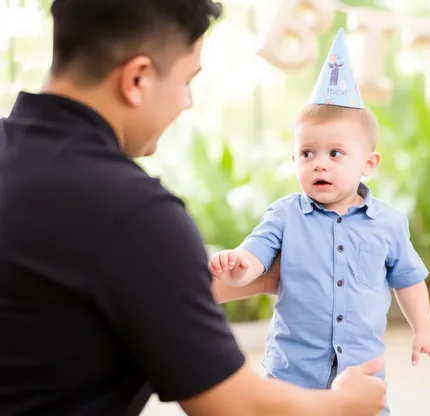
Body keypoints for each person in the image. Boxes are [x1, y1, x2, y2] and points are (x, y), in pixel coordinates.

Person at [0, 1, 387, 415]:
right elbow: (235, 407)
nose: (186, 102)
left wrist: (255, 281)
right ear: (137, 78)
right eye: (187, 80)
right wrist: (342, 403)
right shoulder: (134, 212)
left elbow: (79, 286)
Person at [209, 28, 430, 415]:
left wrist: (425, 331)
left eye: (336, 153)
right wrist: (239, 267)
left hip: (362, 374)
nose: (319, 162)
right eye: (307, 153)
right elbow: (256, 253)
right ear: (294, 161)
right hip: (292, 373)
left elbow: (409, 279)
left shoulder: (388, 223)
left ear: (368, 163)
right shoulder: (284, 214)